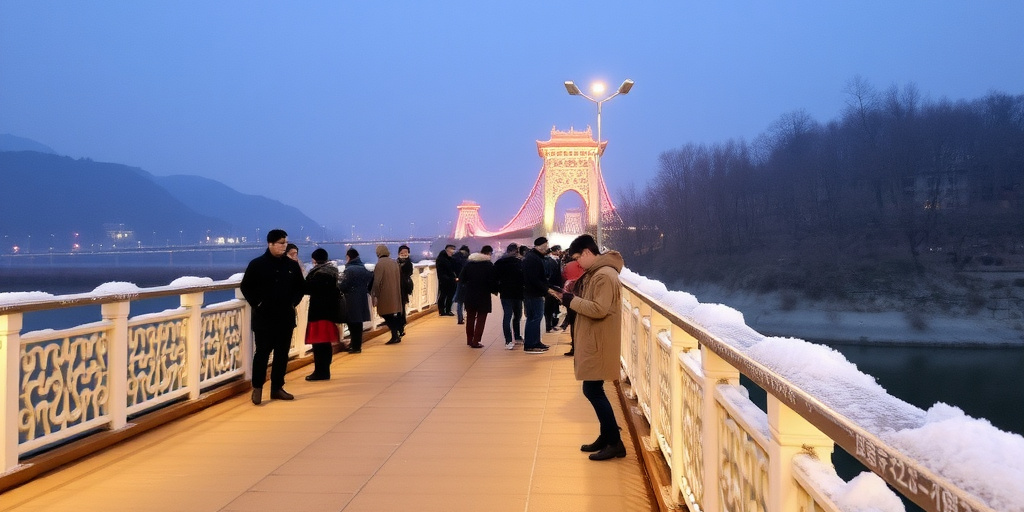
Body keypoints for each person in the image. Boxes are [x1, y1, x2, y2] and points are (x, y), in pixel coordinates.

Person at [550, 234, 626, 461]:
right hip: (597, 338)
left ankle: (614, 442)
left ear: (587, 253)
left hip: (599, 341)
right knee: (594, 389)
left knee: (592, 390)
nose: (576, 264)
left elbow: (599, 309)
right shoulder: (598, 273)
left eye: (577, 259)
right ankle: (607, 436)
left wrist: (569, 300)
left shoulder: (603, 275)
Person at [240, 229, 305, 405]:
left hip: (285, 317)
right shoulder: (257, 264)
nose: (284, 246)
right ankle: (257, 387)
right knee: (262, 353)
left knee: (282, 354)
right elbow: (246, 287)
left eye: (285, 242)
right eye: (281, 243)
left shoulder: (291, 266)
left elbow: (301, 287)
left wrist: (293, 302)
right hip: (264, 318)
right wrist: (258, 304)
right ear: (270, 244)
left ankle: (277, 387)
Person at [303, 248, 343, 381]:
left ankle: (320, 372)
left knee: (319, 344)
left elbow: (307, 289)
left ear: (314, 260)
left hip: (319, 312)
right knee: (325, 344)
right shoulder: (332, 272)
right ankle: (325, 371)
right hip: (330, 312)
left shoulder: (319, 274)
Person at [458, 245, 497, 348]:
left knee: (470, 317)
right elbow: (492, 281)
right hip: (483, 294)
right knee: (481, 318)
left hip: (470, 293)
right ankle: (476, 341)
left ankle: (469, 340)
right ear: (489, 253)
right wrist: (495, 290)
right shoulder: (488, 265)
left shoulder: (469, 264)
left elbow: (462, 279)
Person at [522, 236, 552, 353]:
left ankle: (535, 341)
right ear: (540, 246)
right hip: (533, 293)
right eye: (546, 246)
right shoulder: (533, 259)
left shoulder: (532, 257)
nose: (547, 248)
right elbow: (534, 278)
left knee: (533, 318)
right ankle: (531, 344)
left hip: (532, 293)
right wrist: (546, 289)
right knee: (535, 318)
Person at [339, 248, 372, 353]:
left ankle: (355, 346)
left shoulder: (349, 270)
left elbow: (344, 285)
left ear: (348, 257)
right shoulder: (363, 268)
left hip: (351, 300)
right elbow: (371, 279)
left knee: (352, 324)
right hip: (361, 298)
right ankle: (356, 345)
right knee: (358, 324)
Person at [494, 243, 525, 350]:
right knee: (517, 315)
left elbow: (494, 278)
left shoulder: (499, 263)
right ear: (516, 251)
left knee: (507, 316)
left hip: (505, 293)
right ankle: (517, 336)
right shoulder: (520, 263)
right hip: (518, 292)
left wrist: (498, 289)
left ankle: (508, 340)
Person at [371, 244, 403, 344]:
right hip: (395, 292)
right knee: (391, 314)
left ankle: (395, 335)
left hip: (384, 293)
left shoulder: (380, 264)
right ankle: (396, 333)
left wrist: (374, 293)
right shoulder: (394, 262)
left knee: (385, 313)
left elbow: (377, 281)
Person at [560, 256, 585, 356]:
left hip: (570, 294)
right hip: (581, 294)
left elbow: (564, 276)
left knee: (573, 322)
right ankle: (581, 347)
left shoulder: (568, 266)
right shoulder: (585, 265)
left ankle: (574, 347)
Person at [544, 245, 565, 332]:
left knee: (552, 306)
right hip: (552, 286)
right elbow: (552, 274)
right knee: (550, 307)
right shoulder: (550, 261)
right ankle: (549, 325)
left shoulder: (555, 260)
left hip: (553, 286)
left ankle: (550, 324)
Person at [397, 244, 414, 336]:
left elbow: (409, 273)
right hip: (395, 288)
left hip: (403, 289)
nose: (404, 254)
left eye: (406, 252)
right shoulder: (395, 263)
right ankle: (398, 326)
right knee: (397, 308)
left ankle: (401, 326)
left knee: (401, 308)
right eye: (402, 252)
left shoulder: (409, 264)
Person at [435, 244, 457, 316]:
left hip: (451, 280)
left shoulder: (451, 258)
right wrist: (446, 278)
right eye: (452, 249)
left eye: (454, 249)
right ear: (447, 249)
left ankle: (448, 310)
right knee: (443, 295)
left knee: (450, 295)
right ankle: (441, 310)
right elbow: (441, 270)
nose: (453, 251)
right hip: (444, 280)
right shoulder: (441, 259)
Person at [451, 245, 470, 324]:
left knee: (459, 301)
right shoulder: (467, 259)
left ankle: (460, 318)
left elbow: (451, 268)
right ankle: (468, 316)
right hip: (466, 281)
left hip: (458, 280)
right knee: (467, 300)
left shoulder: (454, 257)